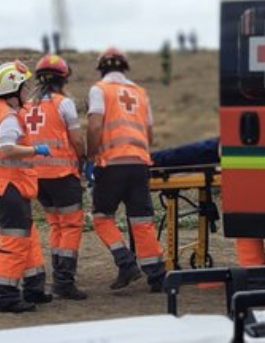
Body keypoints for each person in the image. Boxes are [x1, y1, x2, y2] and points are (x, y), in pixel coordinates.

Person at [0, 61, 52, 313]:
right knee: (15, 239)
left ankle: (34, 287)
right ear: (14, 88)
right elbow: (7, 149)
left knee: (26, 234)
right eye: (24, 84)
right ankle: (7, 296)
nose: (28, 88)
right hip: (4, 185)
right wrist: (35, 150)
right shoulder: (7, 116)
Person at [85, 47, 165, 291]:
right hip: (139, 163)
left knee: (101, 217)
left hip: (111, 164)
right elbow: (149, 132)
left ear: (102, 69)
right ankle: (157, 276)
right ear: (125, 67)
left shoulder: (99, 90)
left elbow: (95, 127)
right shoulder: (140, 93)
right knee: (142, 221)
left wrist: (90, 157)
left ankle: (126, 263)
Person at [26, 54, 89, 300]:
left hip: (37, 176)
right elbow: (76, 139)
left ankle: (58, 278)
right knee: (71, 225)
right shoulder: (64, 104)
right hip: (62, 175)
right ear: (63, 79)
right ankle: (64, 280)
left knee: (55, 224)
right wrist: (83, 159)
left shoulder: (28, 106)